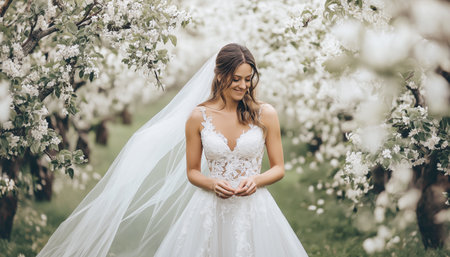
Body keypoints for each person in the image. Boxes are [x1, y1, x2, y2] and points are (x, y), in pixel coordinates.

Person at [37, 43, 308, 257]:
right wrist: (212, 183)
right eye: (236, 78)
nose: (242, 85)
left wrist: (256, 180)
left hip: (254, 209)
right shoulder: (198, 117)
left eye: (248, 79)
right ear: (220, 75)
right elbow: (192, 171)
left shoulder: (265, 114)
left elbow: (278, 168)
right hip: (210, 208)